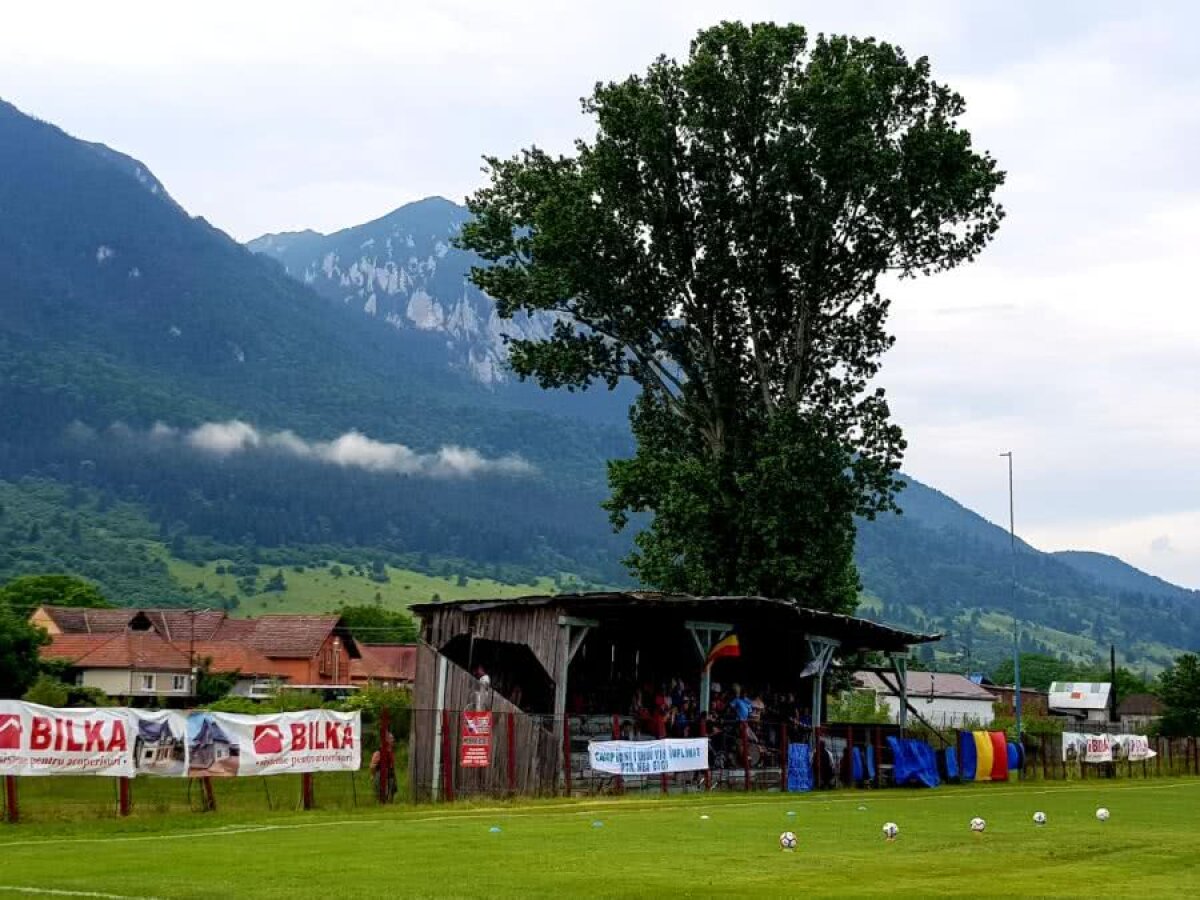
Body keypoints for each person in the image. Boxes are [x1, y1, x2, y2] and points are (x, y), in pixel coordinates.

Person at [370, 732, 397, 802]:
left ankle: (390, 805)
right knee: (382, 794)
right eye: (391, 738)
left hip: (390, 775)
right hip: (381, 775)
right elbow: (372, 766)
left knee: (391, 793)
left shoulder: (391, 752)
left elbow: (392, 765)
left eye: (392, 738)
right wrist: (373, 775)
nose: (393, 740)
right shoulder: (378, 752)